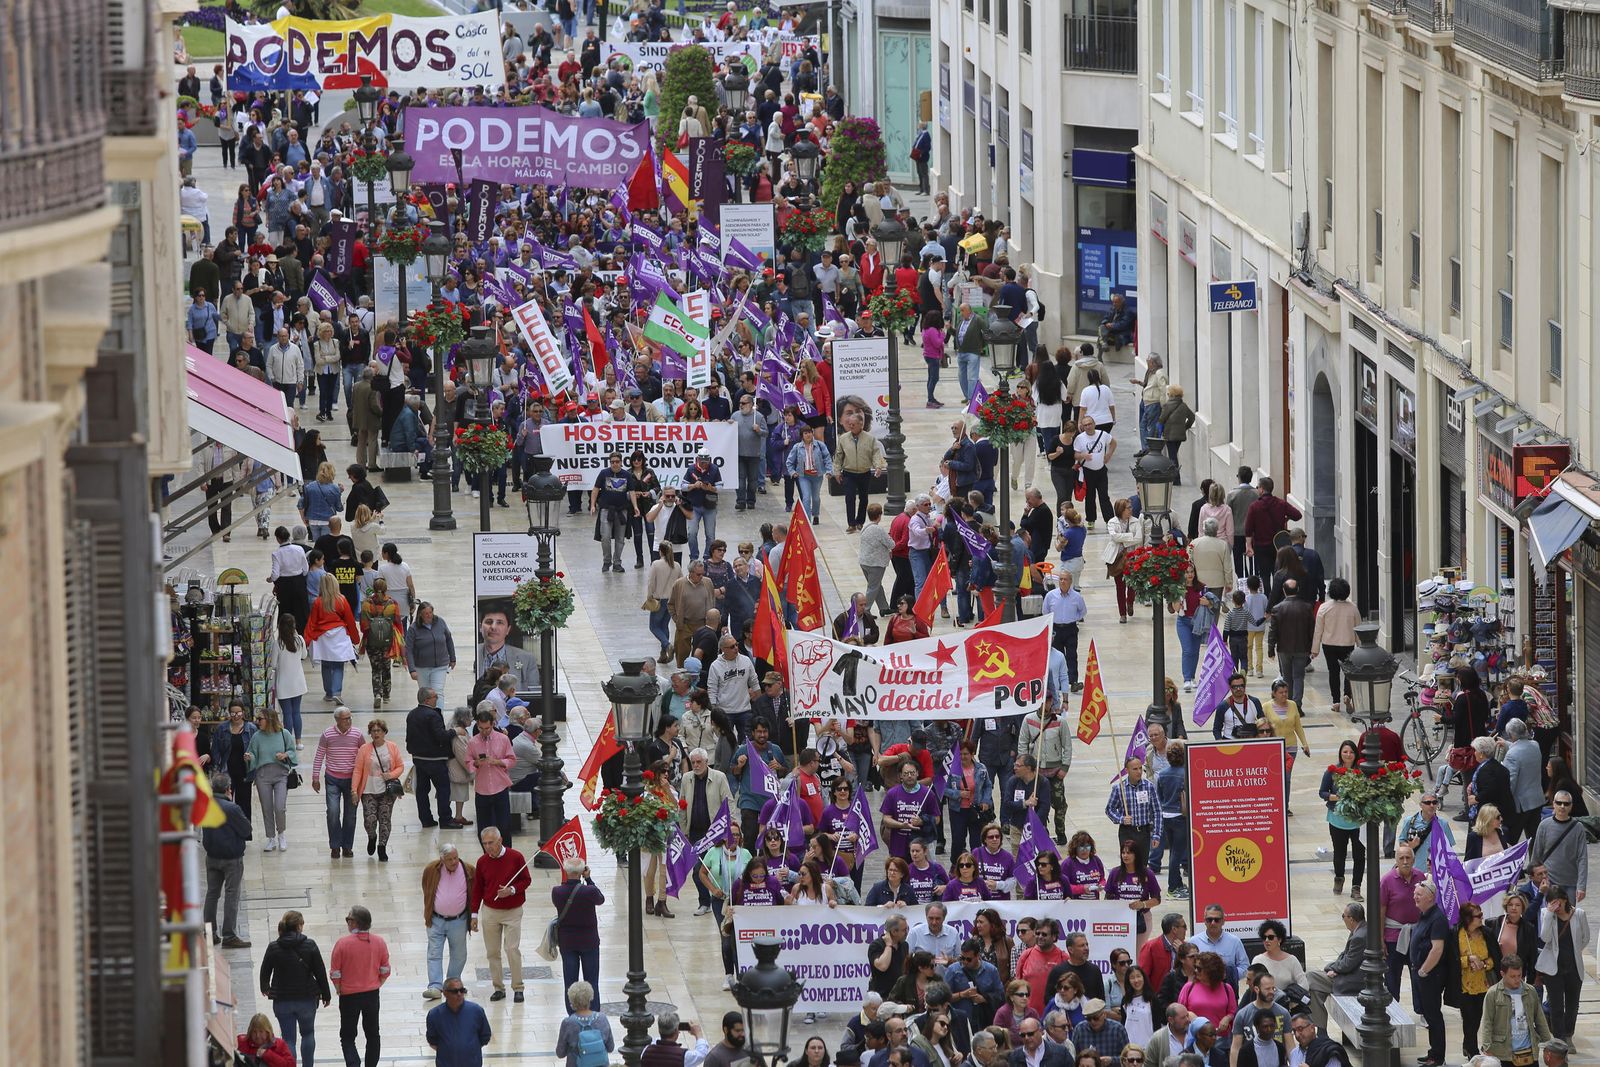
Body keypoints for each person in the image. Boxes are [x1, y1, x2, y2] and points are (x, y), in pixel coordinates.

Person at [473, 825, 531, 1003]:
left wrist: (512, 890)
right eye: (484, 843)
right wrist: (473, 914)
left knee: (512, 949)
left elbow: (526, 880)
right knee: (492, 952)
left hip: (513, 911)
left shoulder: (516, 857)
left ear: (500, 841)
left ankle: (518, 987)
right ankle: (498, 987)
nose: (487, 847)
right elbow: (477, 889)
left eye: (491, 843)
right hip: (490, 911)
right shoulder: (482, 862)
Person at [330, 904, 391, 1067]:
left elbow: (335, 972)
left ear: (355, 922)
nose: (347, 922)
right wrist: (378, 983)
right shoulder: (379, 942)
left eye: (348, 919)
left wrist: (338, 988)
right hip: (371, 994)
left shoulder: (342, 944)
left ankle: (353, 1064)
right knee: (373, 1034)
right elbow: (385, 969)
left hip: (349, 996)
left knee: (348, 1036)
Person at [1533, 886, 1589, 1041]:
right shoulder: (1546, 914)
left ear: (1565, 900)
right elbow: (1545, 938)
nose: (1556, 906)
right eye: (1551, 903)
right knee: (1556, 1005)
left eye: (1557, 902)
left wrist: (1574, 951)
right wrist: (1549, 913)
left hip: (1574, 966)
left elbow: (1585, 938)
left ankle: (1568, 1034)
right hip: (1553, 968)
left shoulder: (1579, 914)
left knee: (1572, 1005)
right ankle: (1559, 1038)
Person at [1478, 955, 1551, 1064]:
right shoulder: (1493, 994)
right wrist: (1487, 1047)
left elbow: (1540, 1018)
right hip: (1503, 1054)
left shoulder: (1530, 991)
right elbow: (1487, 1022)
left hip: (1529, 1052)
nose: (1517, 980)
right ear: (1503, 974)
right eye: (1512, 976)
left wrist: (1549, 1043)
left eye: (1519, 975)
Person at [351, 717, 405, 861]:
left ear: (384, 732)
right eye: (373, 731)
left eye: (379, 730)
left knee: (385, 819)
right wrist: (354, 790)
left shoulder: (392, 747)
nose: (376, 733)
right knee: (369, 820)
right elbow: (357, 770)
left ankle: (382, 847)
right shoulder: (364, 749)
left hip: (387, 791)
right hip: (368, 790)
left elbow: (400, 766)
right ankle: (372, 836)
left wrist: (391, 775)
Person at [1407, 880, 1449, 1067]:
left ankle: (1437, 1057)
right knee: (1428, 1014)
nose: (1415, 897)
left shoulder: (1437, 919)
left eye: (1419, 894)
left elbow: (1437, 949)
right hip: (1421, 974)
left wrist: (1423, 971)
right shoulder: (1424, 915)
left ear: (1431, 897)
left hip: (1431, 976)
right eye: (1415, 894)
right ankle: (1433, 1052)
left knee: (1433, 1015)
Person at [245, 708, 298, 852]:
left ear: (269, 719)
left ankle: (281, 834)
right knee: (266, 808)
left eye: (260, 719)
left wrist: (285, 755)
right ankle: (271, 838)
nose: (257, 722)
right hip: (262, 775)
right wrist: (249, 757)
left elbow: (292, 751)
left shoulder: (284, 733)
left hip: (281, 774)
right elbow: (253, 754)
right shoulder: (257, 736)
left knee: (280, 807)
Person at [553, 856, 604, 994]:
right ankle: (593, 1007)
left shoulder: (557, 891)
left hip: (567, 942)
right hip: (589, 941)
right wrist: (588, 879)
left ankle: (571, 1008)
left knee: (569, 984)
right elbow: (600, 899)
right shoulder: (589, 891)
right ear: (582, 871)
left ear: (566, 871)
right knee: (592, 983)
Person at [1529, 790, 1589, 901]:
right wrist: (1533, 880)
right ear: (1553, 804)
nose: (1562, 806)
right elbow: (1536, 854)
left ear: (1571, 806)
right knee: (1549, 911)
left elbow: (1582, 857)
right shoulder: (1544, 825)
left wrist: (1581, 886)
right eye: (1559, 803)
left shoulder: (1578, 828)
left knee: (1568, 911)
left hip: (1570, 882)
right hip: (1548, 881)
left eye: (1566, 804)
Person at [426, 978, 492, 1067]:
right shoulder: (435, 1015)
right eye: (455, 991)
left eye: (462, 990)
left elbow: (485, 1035)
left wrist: (471, 1048)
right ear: (445, 993)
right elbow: (432, 1039)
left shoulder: (476, 1011)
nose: (459, 994)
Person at [556, 980, 617, 1067]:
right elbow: (610, 1048)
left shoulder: (568, 1023)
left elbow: (560, 1053)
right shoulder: (602, 1019)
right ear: (590, 998)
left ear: (572, 1000)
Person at [1189, 906, 1250, 986]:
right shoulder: (1194, 941)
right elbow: (1188, 966)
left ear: (1223, 921)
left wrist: (1227, 975)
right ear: (1205, 921)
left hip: (1227, 988)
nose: (1213, 923)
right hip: (1200, 988)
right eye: (1209, 919)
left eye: (1217, 920)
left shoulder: (1234, 941)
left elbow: (1245, 967)